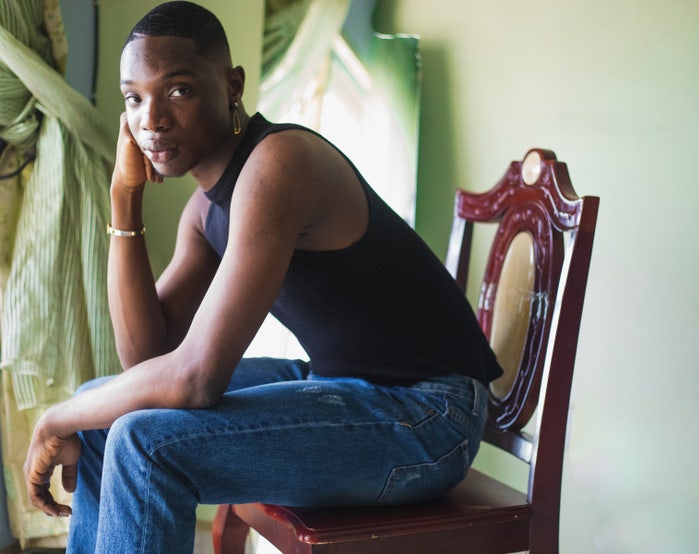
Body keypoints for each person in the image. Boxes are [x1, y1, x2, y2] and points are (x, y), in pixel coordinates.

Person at [23, 2, 502, 552]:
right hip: (340, 383)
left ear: (232, 86)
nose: (150, 119)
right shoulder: (206, 211)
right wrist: (124, 199)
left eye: (177, 90)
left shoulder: (278, 164)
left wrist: (55, 419)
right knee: (102, 408)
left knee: (142, 439)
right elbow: (147, 359)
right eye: (134, 99)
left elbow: (196, 378)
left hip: (427, 418)